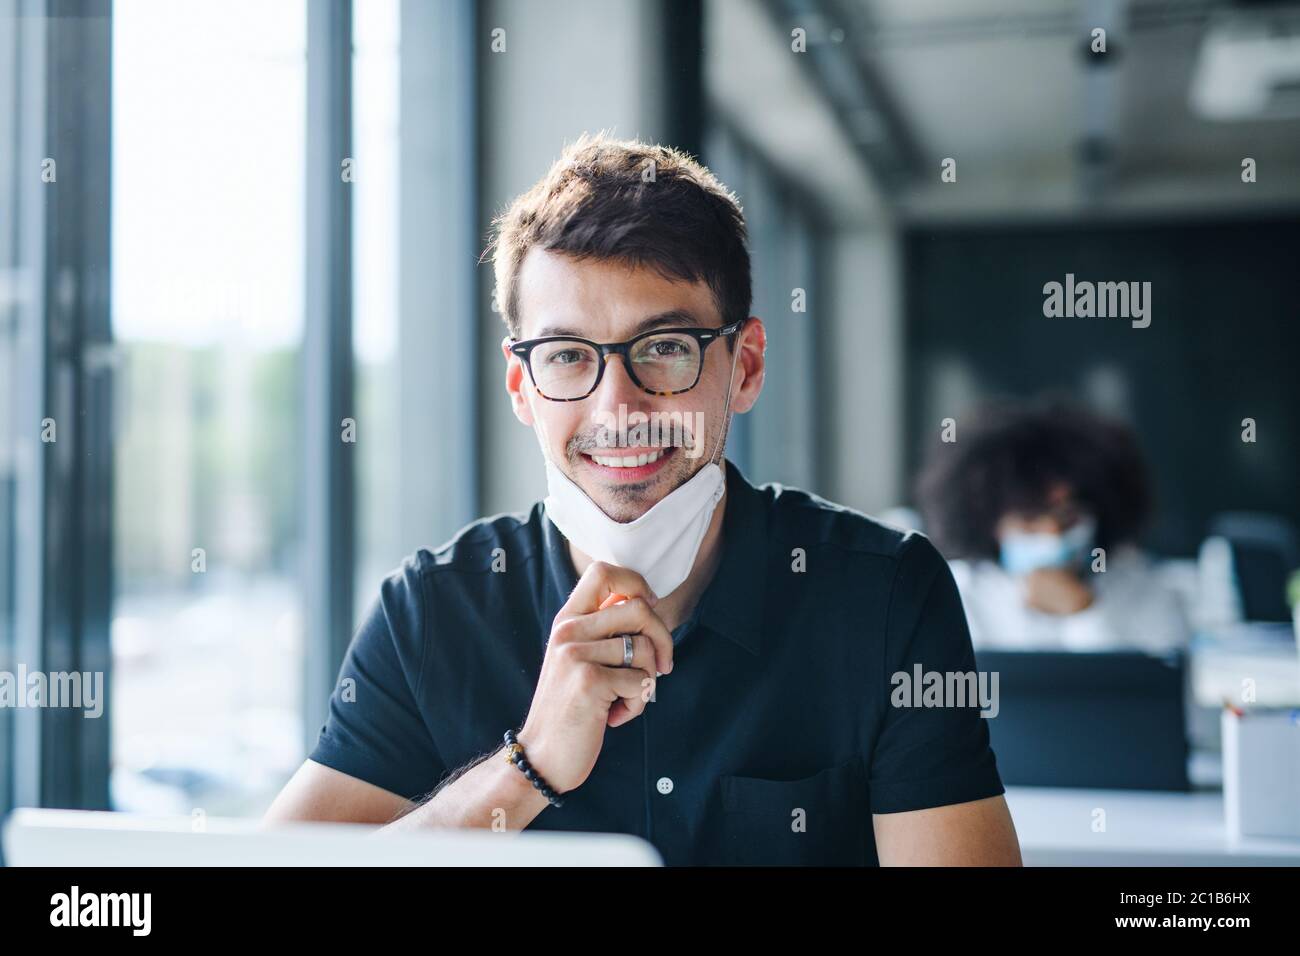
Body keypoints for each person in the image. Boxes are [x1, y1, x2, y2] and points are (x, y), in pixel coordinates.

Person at [265, 133, 1020, 866]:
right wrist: (527, 771)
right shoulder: (433, 610)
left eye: (664, 348)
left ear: (745, 366)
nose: (616, 407)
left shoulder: (885, 595)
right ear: (523, 386)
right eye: (566, 356)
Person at [916, 400, 1188, 653]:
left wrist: (1084, 613)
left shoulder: (1147, 592)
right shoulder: (954, 596)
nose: (1052, 534)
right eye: (1029, 519)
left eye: (1068, 517)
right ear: (988, 522)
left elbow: (1143, 696)